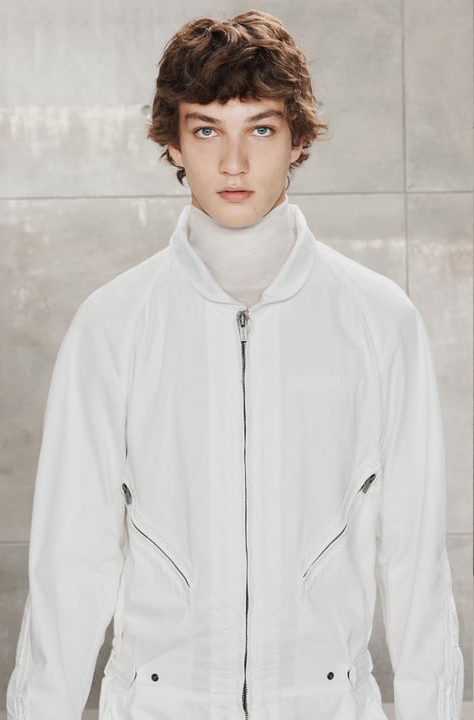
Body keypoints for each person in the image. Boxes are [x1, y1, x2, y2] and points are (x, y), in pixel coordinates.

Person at [6, 10, 464, 720]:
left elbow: (414, 558)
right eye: (206, 130)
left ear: (297, 138)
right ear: (173, 141)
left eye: (261, 129)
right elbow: (72, 560)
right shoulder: (113, 324)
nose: (233, 163)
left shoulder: (379, 320)